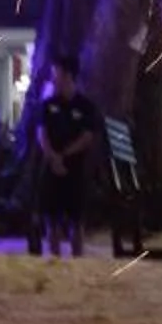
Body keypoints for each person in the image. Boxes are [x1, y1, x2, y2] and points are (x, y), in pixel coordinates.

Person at [32, 56, 104, 257]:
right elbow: (41, 133)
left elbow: (87, 136)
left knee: (76, 218)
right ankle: (54, 258)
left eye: (57, 74)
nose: (54, 78)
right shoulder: (48, 105)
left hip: (75, 168)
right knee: (51, 217)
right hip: (51, 167)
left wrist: (64, 155)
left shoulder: (85, 106)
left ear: (68, 75)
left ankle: (77, 260)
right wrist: (52, 156)